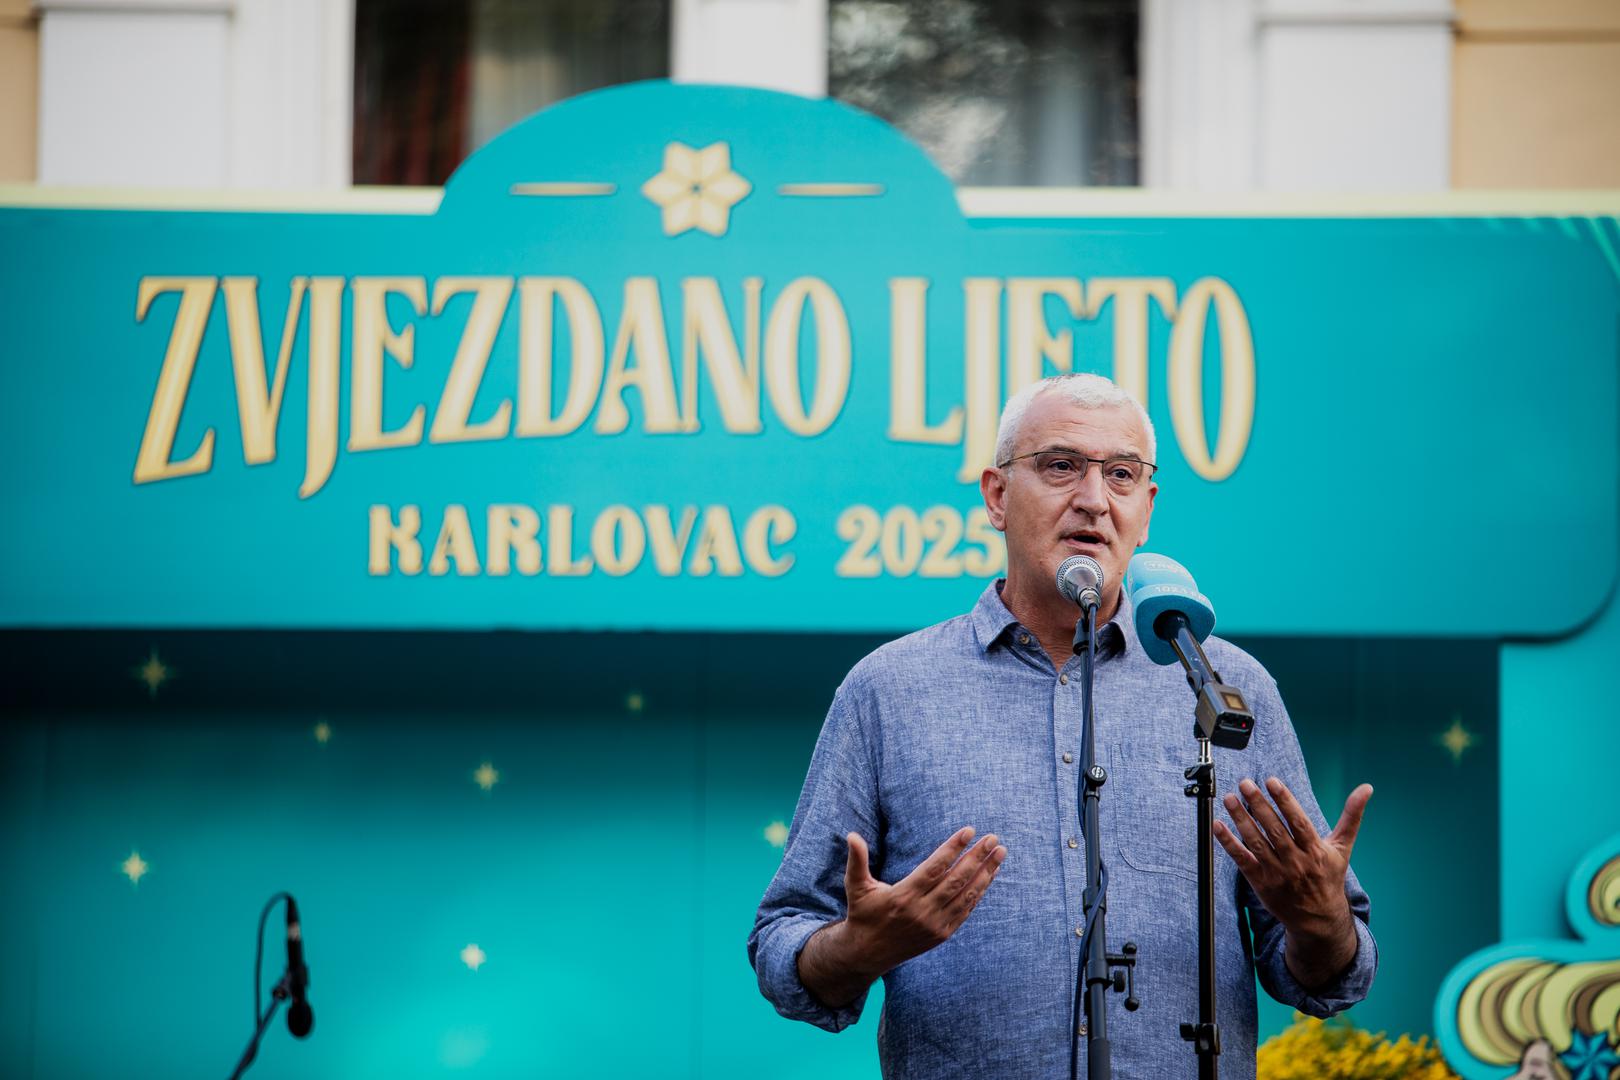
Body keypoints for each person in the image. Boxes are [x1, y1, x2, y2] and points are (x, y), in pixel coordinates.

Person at [747, 373, 1377, 1079]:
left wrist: (1320, 922)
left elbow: (1332, 974)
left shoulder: (1223, 689)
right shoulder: (889, 691)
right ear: (996, 496)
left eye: (1122, 475)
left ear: (1146, 508)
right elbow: (783, 942)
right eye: (1060, 466)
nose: (1094, 499)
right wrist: (858, 949)